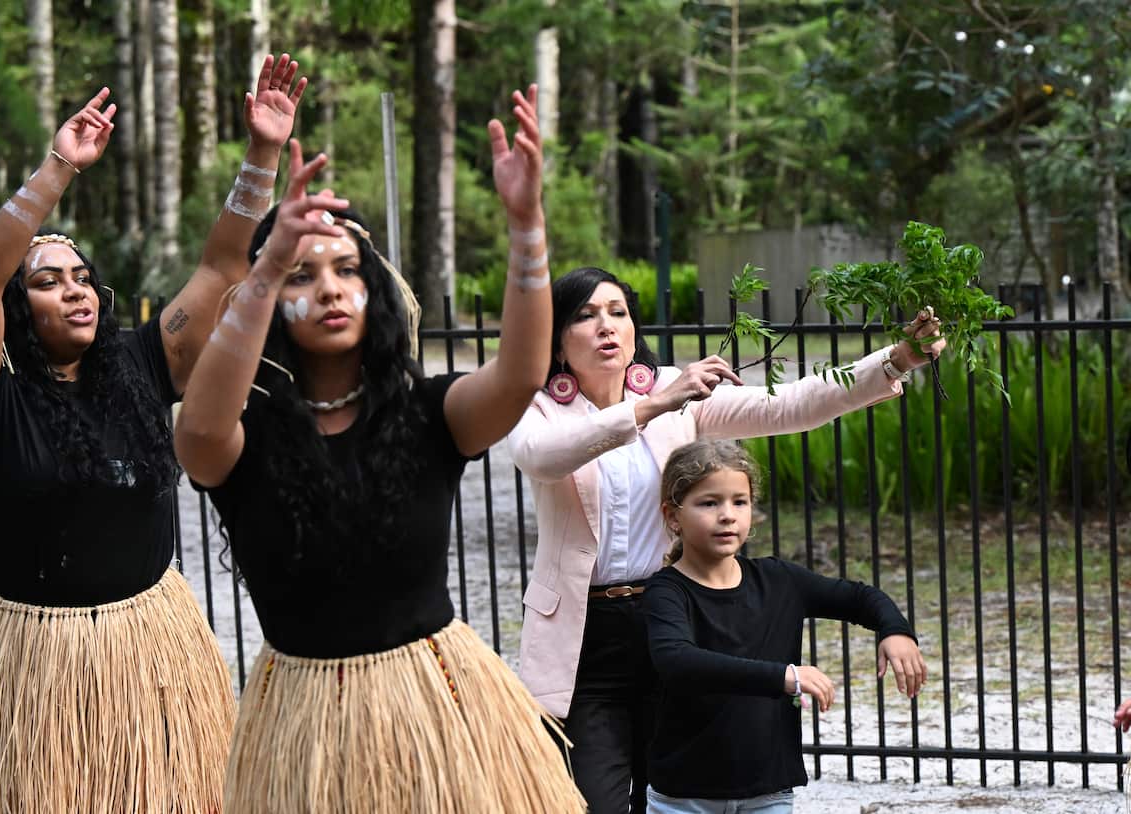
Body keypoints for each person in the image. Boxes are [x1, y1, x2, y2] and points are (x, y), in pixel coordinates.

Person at [0, 54, 308, 812]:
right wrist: (59, 166)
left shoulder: (141, 368)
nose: (73, 291)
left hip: (147, 654)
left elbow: (221, 268)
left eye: (81, 276)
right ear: (18, 310)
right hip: (20, 671)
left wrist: (261, 156)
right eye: (46, 282)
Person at [173, 85, 584, 813]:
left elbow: (522, 375)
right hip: (300, 727)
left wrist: (527, 225)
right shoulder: (244, 436)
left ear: (375, 289)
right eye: (303, 275)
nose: (328, 289)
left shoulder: (429, 415)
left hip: (436, 711)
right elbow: (198, 432)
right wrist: (265, 267)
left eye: (345, 270)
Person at [507, 265, 946, 813]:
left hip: (674, 616)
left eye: (617, 313)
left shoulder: (675, 393)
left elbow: (789, 404)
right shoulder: (542, 405)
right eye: (586, 315)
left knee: (675, 792)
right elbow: (542, 458)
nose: (606, 327)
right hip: (583, 637)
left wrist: (895, 360)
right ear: (557, 339)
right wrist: (652, 405)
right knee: (593, 800)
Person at [642, 438, 926, 813]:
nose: (727, 515)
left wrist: (896, 630)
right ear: (673, 515)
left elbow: (861, 598)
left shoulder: (779, 580)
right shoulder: (667, 590)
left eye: (738, 502)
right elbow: (677, 660)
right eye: (709, 502)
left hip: (769, 792)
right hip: (684, 797)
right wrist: (784, 676)